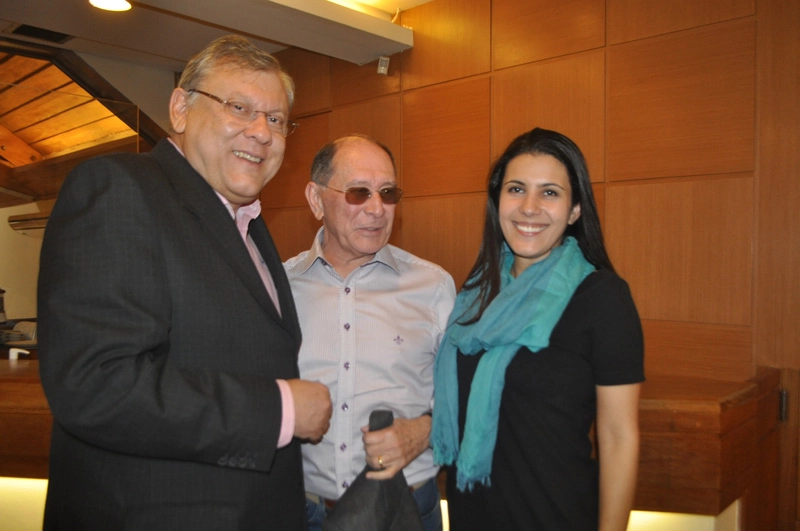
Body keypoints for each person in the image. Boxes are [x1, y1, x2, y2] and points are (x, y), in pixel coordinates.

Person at [37, 35, 332, 530]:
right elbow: (96, 384)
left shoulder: (250, 226)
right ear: (180, 108)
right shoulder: (119, 188)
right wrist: (280, 409)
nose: (262, 132)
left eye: (276, 119)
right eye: (240, 107)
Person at [431, 127, 644, 531]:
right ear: (497, 202)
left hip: (555, 515)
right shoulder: (476, 295)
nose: (530, 207)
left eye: (549, 192)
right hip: (470, 516)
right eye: (516, 189)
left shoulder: (602, 297)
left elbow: (619, 437)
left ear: (575, 210)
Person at [284, 135, 456, 531]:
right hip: (305, 514)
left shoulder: (433, 286)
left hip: (407, 511)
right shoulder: (277, 289)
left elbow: (467, 396)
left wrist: (424, 430)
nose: (377, 209)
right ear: (315, 199)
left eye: (388, 193)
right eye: (359, 192)